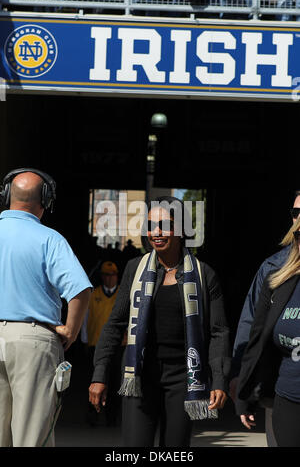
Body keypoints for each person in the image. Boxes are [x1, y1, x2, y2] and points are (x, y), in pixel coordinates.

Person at [89, 196, 231, 447]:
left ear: (182, 229)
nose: (156, 232)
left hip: (183, 378)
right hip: (139, 376)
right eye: (151, 225)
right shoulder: (134, 269)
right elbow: (115, 324)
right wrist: (99, 375)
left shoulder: (203, 275)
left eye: (164, 224)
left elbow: (218, 331)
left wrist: (219, 379)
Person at [0, 168, 92, 447]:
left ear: (7, 196)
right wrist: (70, 331)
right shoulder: (49, 239)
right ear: (45, 200)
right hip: (33, 340)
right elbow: (80, 289)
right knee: (31, 437)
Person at [230, 191, 300, 446]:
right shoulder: (273, 268)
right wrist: (241, 374)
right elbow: (252, 325)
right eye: (295, 212)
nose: (299, 218)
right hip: (283, 390)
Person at [81, 261, 124, 425]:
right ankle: (92, 415)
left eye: (112, 275)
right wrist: (85, 340)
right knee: (93, 381)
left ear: (117, 276)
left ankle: (112, 417)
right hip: (95, 345)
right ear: (102, 277)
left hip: (118, 347)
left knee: (114, 383)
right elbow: (85, 319)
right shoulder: (93, 294)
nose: (109, 278)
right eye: (106, 275)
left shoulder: (123, 294)